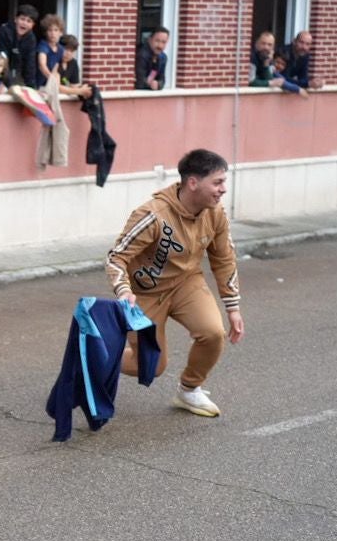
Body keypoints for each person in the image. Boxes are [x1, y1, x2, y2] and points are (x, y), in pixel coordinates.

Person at [105, 148, 245, 417]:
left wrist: (233, 306)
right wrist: (123, 290)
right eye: (217, 182)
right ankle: (96, 354)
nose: (223, 189)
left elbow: (224, 258)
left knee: (213, 333)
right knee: (152, 366)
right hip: (144, 293)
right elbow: (116, 257)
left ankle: (189, 390)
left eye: (224, 182)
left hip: (185, 283)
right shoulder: (152, 215)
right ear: (193, 182)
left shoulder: (215, 213)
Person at [0, 4, 39, 88]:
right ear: (15, 19)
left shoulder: (31, 38)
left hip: (17, 72)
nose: (25, 23)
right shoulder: (4, 32)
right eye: (22, 19)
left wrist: (32, 87)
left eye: (29, 21)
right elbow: (3, 58)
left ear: (33, 25)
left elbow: (30, 64)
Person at [58, 34, 93, 99]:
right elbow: (56, 87)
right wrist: (79, 91)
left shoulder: (73, 63)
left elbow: (74, 86)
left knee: (93, 89)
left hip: (65, 99)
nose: (68, 53)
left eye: (71, 51)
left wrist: (83, 89)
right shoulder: (54, 61)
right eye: (66, 49)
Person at [35, 14, 64, 89]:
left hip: (50, 83)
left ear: (61, 33)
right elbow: (42, 65)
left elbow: (56, 68)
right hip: (39, 84)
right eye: (50, 30)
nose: (53, 33)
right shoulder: (43, 45)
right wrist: (53, 80)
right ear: (46, 32)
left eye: (56, 30)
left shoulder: (60, 49)